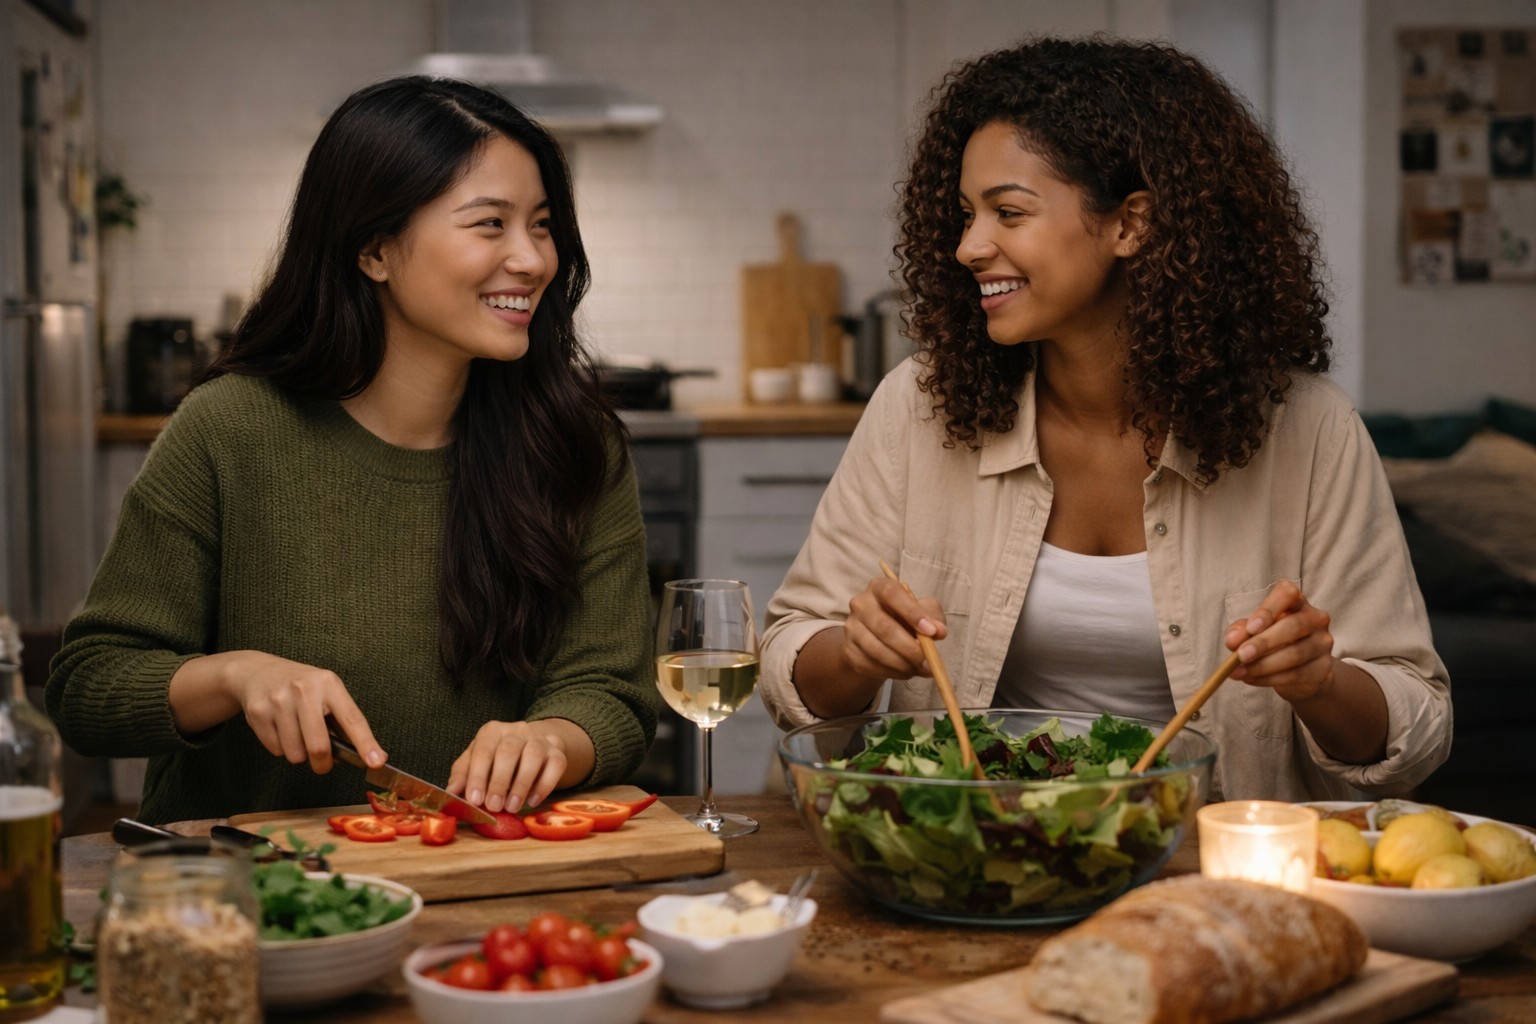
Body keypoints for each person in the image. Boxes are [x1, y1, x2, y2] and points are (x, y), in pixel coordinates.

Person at [758, 37, 1451, 802]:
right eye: (964, 214)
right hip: (970, 857)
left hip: (1200, 876)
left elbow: (1413, 728)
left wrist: (1319, 683)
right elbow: (791, 656)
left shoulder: (1311, 431)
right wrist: (856, 655)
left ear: (1132, 225)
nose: (967, 247)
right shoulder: (918, 408)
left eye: (1008, 212)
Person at [47, 77, 657, 824]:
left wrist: (555, 737)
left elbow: (613, 691)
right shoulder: (229, 429)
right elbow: (87, 687)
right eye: (490, 225)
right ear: (374, 250)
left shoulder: (574, 442)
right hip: (260, 895)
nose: (532, 260)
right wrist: (235, 676)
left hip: (488, 888)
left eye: (541, 225)